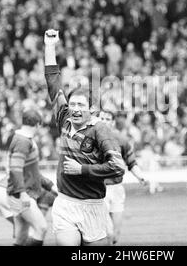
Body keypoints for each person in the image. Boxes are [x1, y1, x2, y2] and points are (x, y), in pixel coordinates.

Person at [43, 29, 126, 246]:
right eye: (72, 104)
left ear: (92, 109)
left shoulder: (100, 130)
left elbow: (118, 167)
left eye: (81, 105)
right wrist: (50, 46)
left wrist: (83, 170)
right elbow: (53, 81)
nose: (75, 109)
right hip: (65, 204)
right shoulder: (64, 119)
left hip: (93, 206)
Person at [99, 110, 148, 245]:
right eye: (101, 118)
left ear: (112, 122)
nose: (104, 120)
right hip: (98, 190)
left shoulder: (121, 140)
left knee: (115, 234)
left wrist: (141, 177)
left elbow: (131, 161)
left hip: (117, 189)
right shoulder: (90, 139)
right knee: (108, 232)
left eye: (107, 118)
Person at [5, 108, 50, 246]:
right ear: (37, 124)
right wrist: (23, 193)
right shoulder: (23, 141)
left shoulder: (22, 139)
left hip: (19, 193)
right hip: (21, 195)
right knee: (41, 228)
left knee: (22, 237)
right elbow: (15, 169)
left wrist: (49, 185)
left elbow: (30, 171)